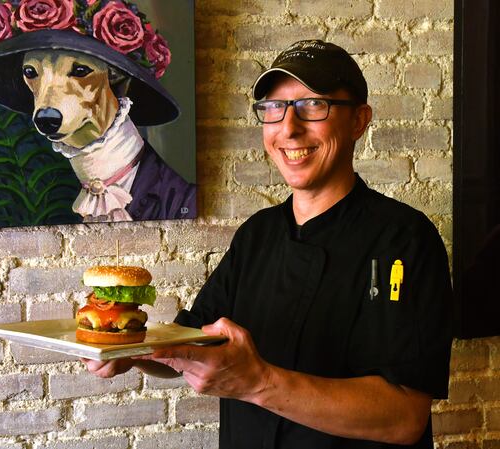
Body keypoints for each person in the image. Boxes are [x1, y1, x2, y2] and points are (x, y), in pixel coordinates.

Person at [82, 39, 453, 449]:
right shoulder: (257, 234)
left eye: (313, 105)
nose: (289, 128)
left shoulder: (405, 238)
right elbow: (191, 338)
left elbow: (403, 419)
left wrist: (259, 383)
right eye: (274, 109)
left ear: (358, 120)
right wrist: (131, 349)